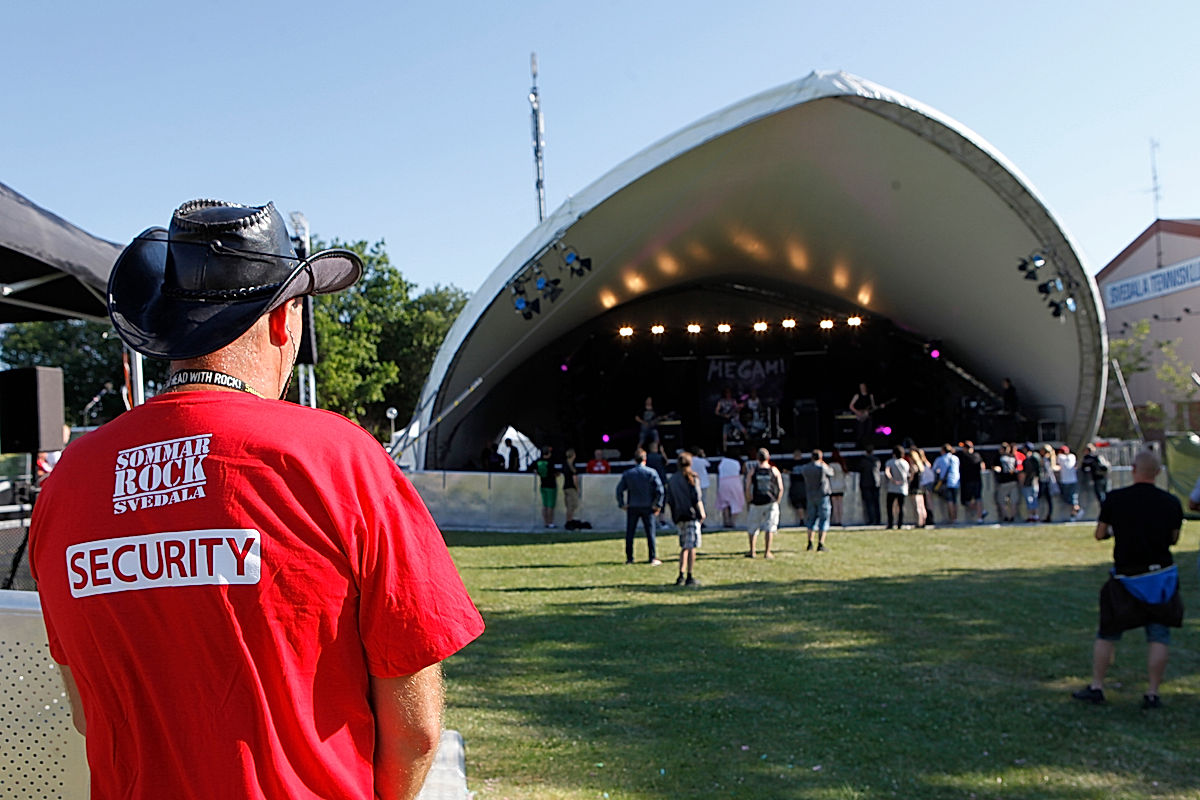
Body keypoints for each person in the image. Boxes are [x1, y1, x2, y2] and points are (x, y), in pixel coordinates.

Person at [29, 199, 484, 799]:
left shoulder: (66, 483)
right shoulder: (338, 461)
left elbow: (88, 710)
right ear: (283, 319)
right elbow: (418, 731)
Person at [1072, 451, 1183, 709]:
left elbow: (1100, 534)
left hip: (1126, 576)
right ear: (1157, 472)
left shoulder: (1116, 499)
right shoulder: (1170, 502)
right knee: (1159, 636)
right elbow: (1173, 538)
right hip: (1160, 576)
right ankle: (1153, 692)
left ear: (1134, 469)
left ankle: (1097, 686)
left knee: (1108, 633)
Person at [615, 448, 665, 565]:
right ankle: (652, 557)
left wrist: (622, 503)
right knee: (650, 532)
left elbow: (619, 490)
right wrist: (657, 505)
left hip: (633, 505)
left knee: (630, 532)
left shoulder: (628, 474)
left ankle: (629, 558)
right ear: (645, 459)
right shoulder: (651, 473)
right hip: (648, 506)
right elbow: (660, 490)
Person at [666, 451, 706, 586]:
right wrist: (702, 512)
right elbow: (697, 497)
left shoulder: (672, 479)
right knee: (690, 546)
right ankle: (688, 575)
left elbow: (669, 500)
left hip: (679, 515)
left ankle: (681, 575)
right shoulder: (692, 477)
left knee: (684, 545)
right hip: (691, 515)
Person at [744, 447, 784, 558]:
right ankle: (767, 552)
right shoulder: (774, 470)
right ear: (768, 458)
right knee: (769, 527)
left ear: (757, 458)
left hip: (756, 502)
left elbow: (747, 488)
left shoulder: (753, 471)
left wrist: (749, 500)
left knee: (753, 527)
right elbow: (780, 487)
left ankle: (752, 551)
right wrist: (777, 500)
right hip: (770, 501)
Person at [799, 449, 834, 551]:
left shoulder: (805, 468)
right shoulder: (822, 467)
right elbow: (831, 473)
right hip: (822, 494)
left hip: (810, 494)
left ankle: (810, 542)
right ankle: (820, 543)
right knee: (823, 519)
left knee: (811, 519)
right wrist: (825, 464)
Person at [932, 444, 961, 525]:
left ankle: (951, 518)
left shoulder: (940, 459)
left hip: (946, 482)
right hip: (956, 481)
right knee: (955, 501)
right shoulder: (955, 458)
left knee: (949, 501)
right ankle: (956, 518)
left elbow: (934, 469)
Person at [958, 440, 986, 523]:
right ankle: (980, 514)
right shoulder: (977, 456)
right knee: (978, 498)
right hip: (977, 480)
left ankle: (980, 513)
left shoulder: (963, 457)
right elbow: (982, 467)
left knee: (967, 501)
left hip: (968, 481)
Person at [716, 451, 745, 528]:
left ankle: (726, 521)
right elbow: (743, 471)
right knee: (736, 502)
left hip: (723, 482)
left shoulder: (722, 462)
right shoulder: (737, 463)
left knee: (724, 503)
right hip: (734, 482)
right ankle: (733, 521)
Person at [884, 445, 910, 530]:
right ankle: (900, 523)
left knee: (890, 506)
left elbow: (887, 472)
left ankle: (890, 523)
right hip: (903, 487)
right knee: (901, 506)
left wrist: (892, 479)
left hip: (892, 487)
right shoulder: (905, 463)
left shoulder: (890, 462)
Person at [993, 442, 1020, 523]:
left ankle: (1005, 516)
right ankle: (1012, 517)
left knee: (1001, 500)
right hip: (1013, 480)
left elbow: (996, 468)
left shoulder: (999, 457)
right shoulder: (1013, 456)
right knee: (1013, 501)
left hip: (1003, 481)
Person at [534, 446, 558, 528]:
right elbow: (555, 472)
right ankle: (550, 522)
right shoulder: (550, 462)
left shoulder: (538, 461)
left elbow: (534, 469)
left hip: (543, 484)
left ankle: (545, 522)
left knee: (544, 505)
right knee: (550, 506)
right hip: (551, 485)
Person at [1080, 443, 1111, 508]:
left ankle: (1105, 508)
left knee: (1100, 495)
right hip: (1105, 477)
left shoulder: (1088, 458)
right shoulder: (1099, 456)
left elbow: (1083, 468)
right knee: (1106, 494)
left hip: (1097, 478)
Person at [858, 444, 882, 526]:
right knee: (876, 503)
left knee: (869, 503)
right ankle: (878, 519)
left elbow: (859, 468)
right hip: (876, 483)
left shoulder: (863, 461)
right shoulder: (877, 460)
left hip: (866, 483)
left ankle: (871, 519)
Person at [561, 447, 585, 530]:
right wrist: (577, 488)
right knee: (573, 505)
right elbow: (574, 479)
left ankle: (568, 521)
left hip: (565, 487)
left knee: (568, 506)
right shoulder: (572, 467)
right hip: (571, 487)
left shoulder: (564, 465)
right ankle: (569, 522)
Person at [1057, 445, 1082, 520]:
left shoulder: (1060, 457)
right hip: (1073, 480)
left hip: (1065, 481)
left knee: (1071, 499)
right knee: (1071, 498)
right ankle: (1074, 513)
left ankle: (1076, 511)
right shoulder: (1072, 456)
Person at [1019, 442, 1042, 523]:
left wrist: (1021, 482)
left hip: (1028, 482)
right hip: (1035, 481)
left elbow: (1024, 473)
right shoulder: (1037, 457)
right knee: (1034, 498)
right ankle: (1036, 515)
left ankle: (1031, 516)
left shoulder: (1027, 460)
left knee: (1029, 499)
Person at [787, 449, 808, 527]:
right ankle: (808, 520)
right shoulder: (805, 463)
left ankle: (802, 520)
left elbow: (786, 471)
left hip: (796, 485)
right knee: (804, 503)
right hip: (803, 485)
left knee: (799, 504)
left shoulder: (791, 464)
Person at [828, 447, 848, 526]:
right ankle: (840, 520)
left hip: (833, 486)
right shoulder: (841, 464)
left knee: (835, 505)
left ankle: (836, 520)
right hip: (841, 486)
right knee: (840, 504)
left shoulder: (830, 465)